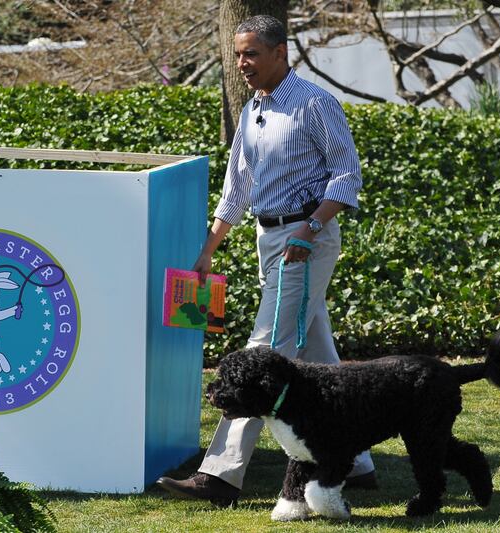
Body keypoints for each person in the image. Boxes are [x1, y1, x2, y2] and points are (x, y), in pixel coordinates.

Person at [156, 14, 376, 506]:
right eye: (238, 55)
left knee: (263, 353)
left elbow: (346, 177)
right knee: (316, 348)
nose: (242, 63)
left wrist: (310, 228)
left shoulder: (316, 104)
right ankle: (357, 462)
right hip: (268, 237)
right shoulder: (253, 107)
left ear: (282, 53)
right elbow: (238, 186)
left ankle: (219, 475)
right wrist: (207, 253)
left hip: (305, 241)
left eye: (252, 53)